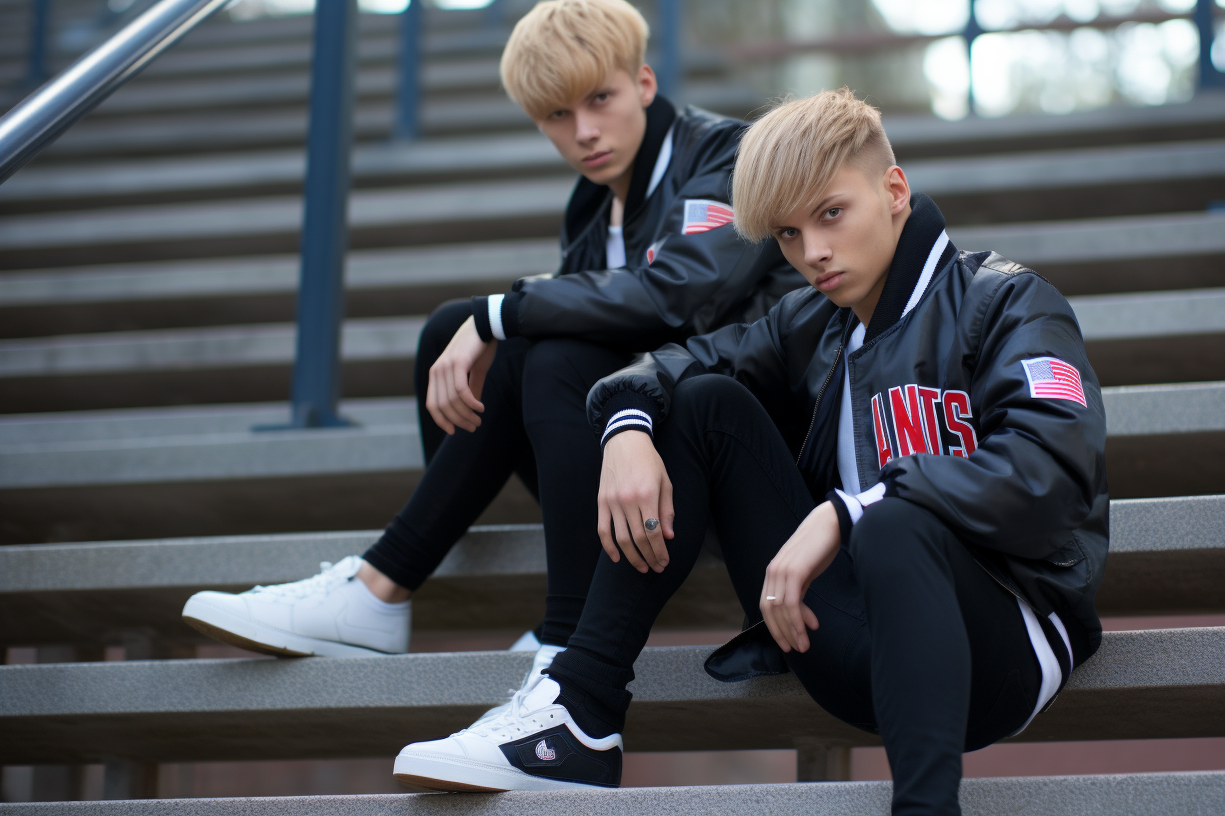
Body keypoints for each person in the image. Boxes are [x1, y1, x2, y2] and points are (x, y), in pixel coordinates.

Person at [389, 88, 1109, 813]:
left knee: (895, 523)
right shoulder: (810, 320)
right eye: (790, 236)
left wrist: (848, 513)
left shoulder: (1008, 303)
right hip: (841, 635)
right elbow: (676, 362)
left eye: (831, 214)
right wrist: (628, 425)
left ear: (894, 190)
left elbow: (1051, 467)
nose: (814, 253)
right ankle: (582, 711)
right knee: (703, 404)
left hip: (1003, 645)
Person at [179, 0, 799, 685]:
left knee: (536, 342)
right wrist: (491, 317)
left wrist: (502, 310)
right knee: (456, 328)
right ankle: (385, 593)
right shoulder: (593, 204)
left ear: (644, 83)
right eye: (558, 116)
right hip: (634, 443)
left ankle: (530, 630)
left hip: (728, 449)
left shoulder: (728, 155)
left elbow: (677, 294)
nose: (585, 132)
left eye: (600, 99)